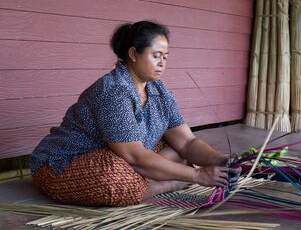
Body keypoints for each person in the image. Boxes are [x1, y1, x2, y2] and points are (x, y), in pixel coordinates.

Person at [30, 20, 241, 207]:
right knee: (115, 178)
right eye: (156, 56)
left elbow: (187, 142)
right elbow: (136, 157)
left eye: (166, 57)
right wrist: (198, 175)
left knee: (177, 148)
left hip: (124, 154)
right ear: (133, 54)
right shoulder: (113, 91)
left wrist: (221, 162)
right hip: (63, 164)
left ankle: (153, 175)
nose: (162, 63)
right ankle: (163, 183)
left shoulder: (159, 91)